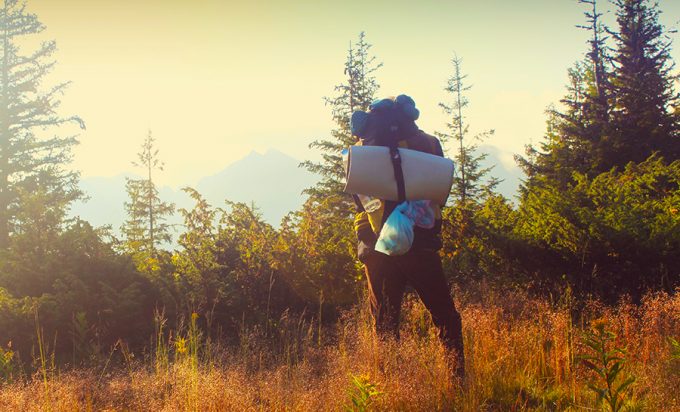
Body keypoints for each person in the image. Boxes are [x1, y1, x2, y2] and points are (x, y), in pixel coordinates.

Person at [350, 95, 465, 379]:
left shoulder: (361, 152)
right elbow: (441, 192)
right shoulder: (428, 144)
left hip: (378, 247)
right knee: (445, 317)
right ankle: (458, 381)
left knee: (385, 323)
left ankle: (389, 388)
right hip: (420, 243)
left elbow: (358, 199)